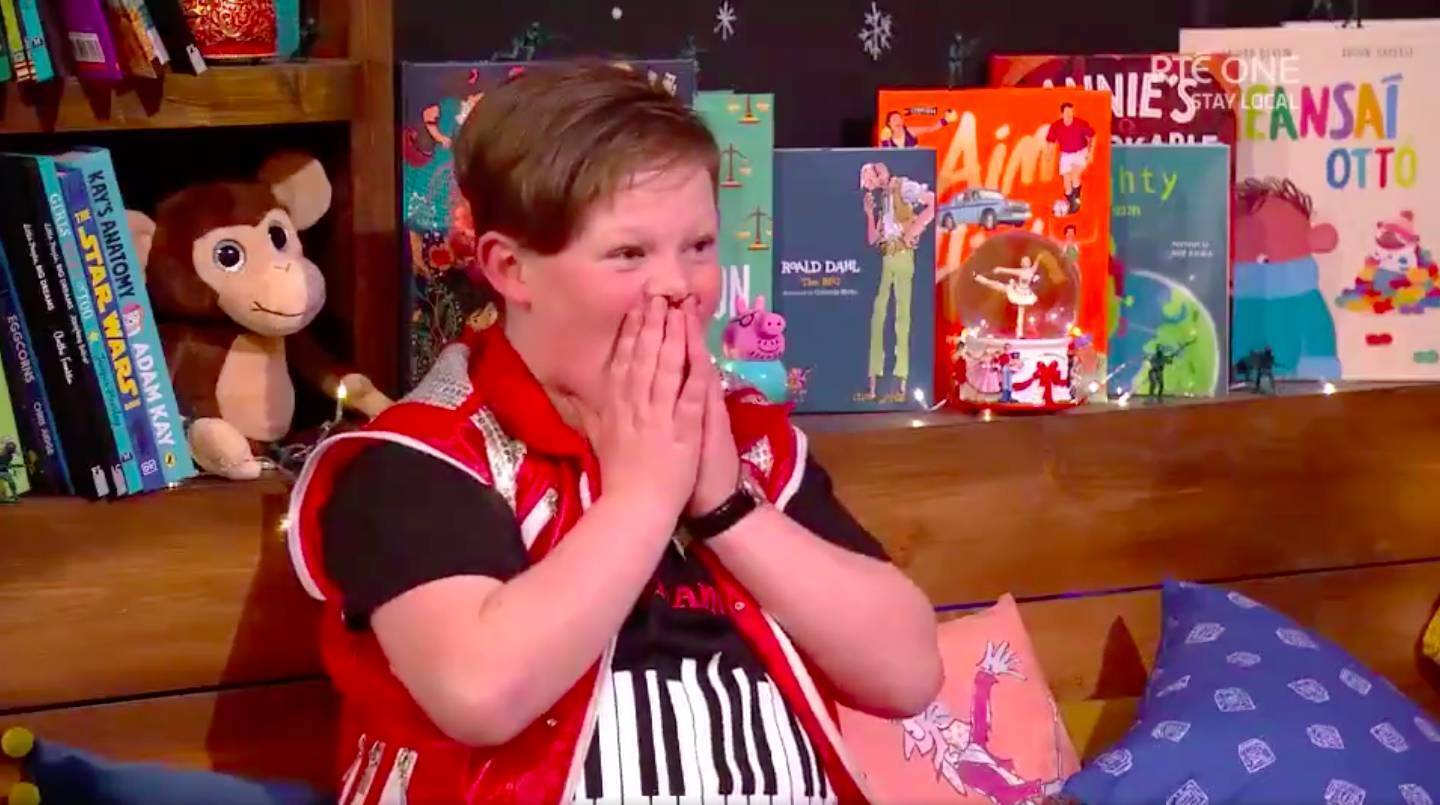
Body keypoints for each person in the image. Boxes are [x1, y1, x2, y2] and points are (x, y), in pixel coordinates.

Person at [286, 62, 942, 803]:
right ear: (510, 268)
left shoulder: (750, 439)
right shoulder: (422, 460)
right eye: (629, 253)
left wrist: (725, 506)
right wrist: (643, 498)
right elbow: (478, 692)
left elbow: (908, 673)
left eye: (698, 246)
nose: (679, 286)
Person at [860, 162, 936, 402]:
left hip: (902, 255)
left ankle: (900, 387)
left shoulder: (902, 187)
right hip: (887, 258)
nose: (868, 185)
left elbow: (933, 203)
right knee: (878, 317)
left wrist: (912, 232)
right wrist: (869, 214)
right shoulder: (884, 199)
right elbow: (873, 239)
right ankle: (874, 387)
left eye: (869, 178)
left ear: (880, 174)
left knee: (901, 319)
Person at [1045, 102, 1094, 215]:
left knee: (1074, 175)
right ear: (1061, 114)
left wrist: (1090, 152)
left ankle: (1076, 202)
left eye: (1071, 112)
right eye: (1067, 112)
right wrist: (1049, 153)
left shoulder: (1080, 124)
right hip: (1066, 154)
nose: (1069, 114)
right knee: (1067, 185)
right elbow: (1051, 141)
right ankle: (1071, 204)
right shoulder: (1056, 126)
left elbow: (1092, 136)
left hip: (1080, 152)